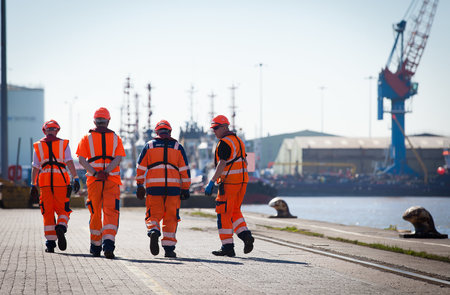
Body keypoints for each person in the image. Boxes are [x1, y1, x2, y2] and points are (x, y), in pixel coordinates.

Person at [135, 120, 191, 258]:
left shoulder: (149, 146)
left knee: (153, 214)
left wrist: (139, 184)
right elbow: (184, 170)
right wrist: (185, 188)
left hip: (154, 188)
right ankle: (169, 249)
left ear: (157, 132)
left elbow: (140, 167)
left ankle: (154, 231)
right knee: (171, 217)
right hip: (173, 189)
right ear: (170, 132)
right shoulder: (178, 147)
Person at [76, 107, 125, 259]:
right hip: (112, 180)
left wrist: (96, 173)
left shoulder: (86, 138)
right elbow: (118, 158)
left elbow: (82, 160)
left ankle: (95, 247)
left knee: (95, 212)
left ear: (94, 121)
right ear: (108, 121)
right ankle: (109, 244)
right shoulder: (116, 138)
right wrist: (107, 172)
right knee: (111, 212)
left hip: (94, 181)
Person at [205, 115, 254, 257]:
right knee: (235, 211)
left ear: (224, 127)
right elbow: (245, 161)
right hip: (242, 182)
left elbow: (222, 163)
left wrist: (212, 181)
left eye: (216, 128)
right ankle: (246, 236)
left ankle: (227, 247)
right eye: (213, 128)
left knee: (223, 213)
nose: (214, 131)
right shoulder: (239, 141)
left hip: (229, 183)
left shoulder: (224, 143)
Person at [30, 119, 80, 253]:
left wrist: (33, 184)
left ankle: (50, 244)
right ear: (57, 130)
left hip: (45, 181)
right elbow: (69, 162)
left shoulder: (38, 146)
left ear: (44, 131)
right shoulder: (63, 144)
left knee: (48, 211)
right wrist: (75, 178)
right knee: (63, 209)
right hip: (61, 180)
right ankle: (61, 227)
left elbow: (35, 167)